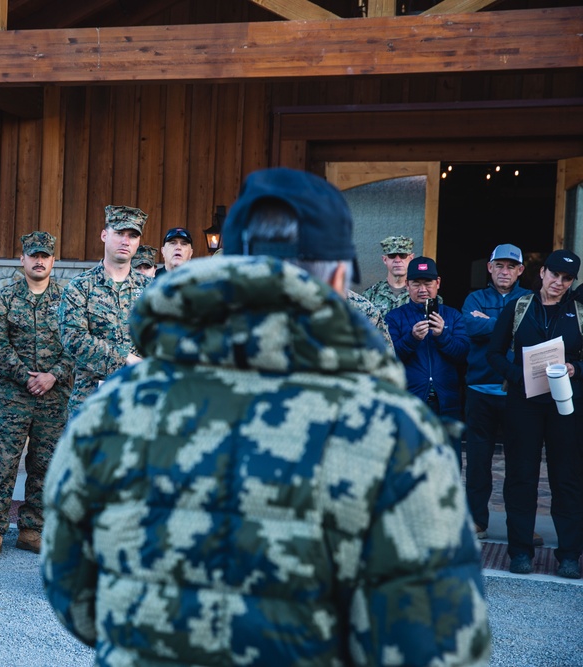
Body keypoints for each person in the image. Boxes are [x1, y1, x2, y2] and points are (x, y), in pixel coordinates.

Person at [42, 167, 490, 665]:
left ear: (231, 265)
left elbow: (73, 597)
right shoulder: (394, 434)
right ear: (340, 277)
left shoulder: (115, 408)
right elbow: (441, 646)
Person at [487, 249, 583, 579]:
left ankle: (569, 554)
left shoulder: (579, 312)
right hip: (523, 404)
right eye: (554, 275)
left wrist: (576, 366)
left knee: (567, 479)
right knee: (521, 477)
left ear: (572, 282)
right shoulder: (519, 307)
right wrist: (519, 377)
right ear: (542, 273)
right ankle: (520, 552)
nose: (559, 283)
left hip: (565, 405)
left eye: (567, 278)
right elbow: (494, 353)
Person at [0, 232, 72, 560]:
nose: (39, 260)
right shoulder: (3, 298)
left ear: (53, 260)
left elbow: (75, 345)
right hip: (13, 396)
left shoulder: (67, 299)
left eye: (45, 255)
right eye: (33, 255)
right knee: (2, 463)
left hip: (53, 396)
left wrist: (53, 376)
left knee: (45, 465)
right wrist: (25, 376)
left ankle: (32, 529)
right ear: (23, 259)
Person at [462, 244, 530, 540]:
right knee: (478, 462)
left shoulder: (530, 299)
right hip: (479, 390)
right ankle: (477, 521)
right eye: (499, 266)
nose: (505, 272)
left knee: (519, 464)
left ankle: (520, 527)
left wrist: (488, 323)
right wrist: (508, 326)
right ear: (489, 267)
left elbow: (529, 333)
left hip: (517, 392)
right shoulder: (474, 298)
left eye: (511, 267)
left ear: (520, 271)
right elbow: (469, 327)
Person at [58, 205, 150, 416]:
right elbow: (74, 338)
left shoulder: (150, 289)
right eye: (119, 233)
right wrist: (125, 358)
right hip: (90, 403)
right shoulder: (80, 286)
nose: (126, 241)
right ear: (104, 235)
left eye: (133, 236)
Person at [385, 257, 469, 431]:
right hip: (409, 403)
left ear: (437, 283)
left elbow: (463, 355)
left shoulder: (453, 316)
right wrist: (412, 338)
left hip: (447, 403)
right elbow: (388, 359)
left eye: (428, 283)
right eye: (416, 283)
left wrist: (442, 335)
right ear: (407, 285)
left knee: (448, 456)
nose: (422, 289)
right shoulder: (394, 317)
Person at [362, 235, 414, 314]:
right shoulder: (370, 295)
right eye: (392, 256)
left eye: (402, 255)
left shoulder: (419, 293)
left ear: (411, 258)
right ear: (385, 259)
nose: (397, 260)